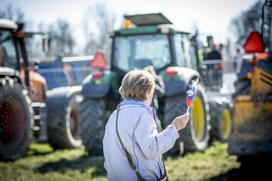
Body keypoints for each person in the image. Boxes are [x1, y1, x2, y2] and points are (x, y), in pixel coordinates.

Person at [103, 69, 190, 181]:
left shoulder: (113, 116)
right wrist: (175, 127)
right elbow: (152, 149)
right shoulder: (142, 114)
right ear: (148, 91)